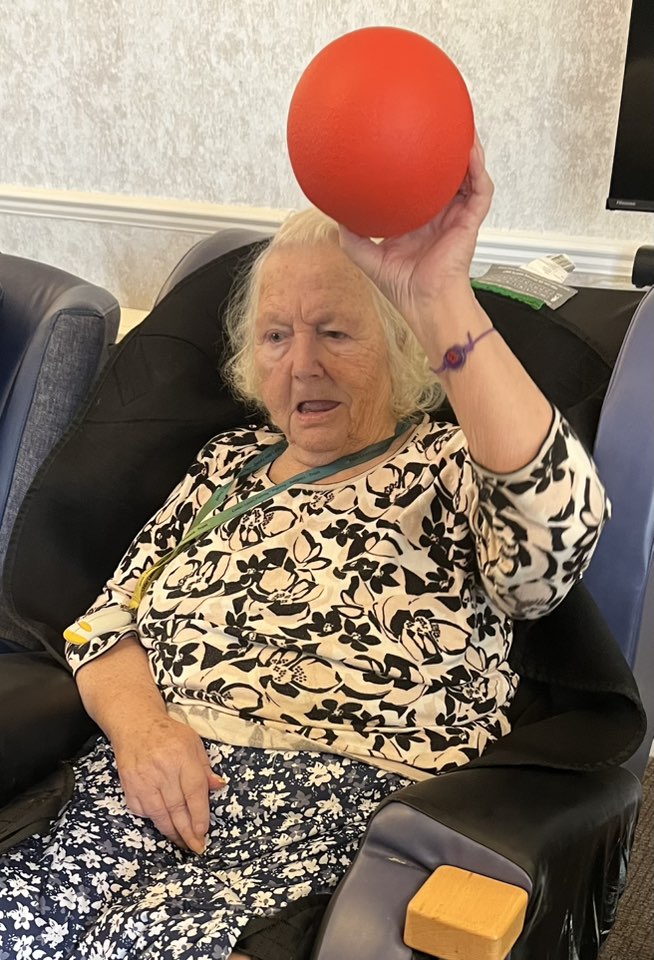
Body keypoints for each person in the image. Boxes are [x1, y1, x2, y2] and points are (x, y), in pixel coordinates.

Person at [0, 137, 609, 960]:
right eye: (276, 336)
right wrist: (142, 730)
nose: (302, 364)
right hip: (142, 782)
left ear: (403, 345)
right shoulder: (223, 467)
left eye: (335, 332)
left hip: (341, 808)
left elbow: (558, 532)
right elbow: (107, 625)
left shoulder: (451, 465)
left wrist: (441, 295)